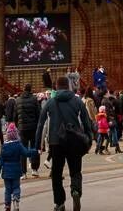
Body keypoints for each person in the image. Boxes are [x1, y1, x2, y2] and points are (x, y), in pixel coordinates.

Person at [35, 75, 95, 211]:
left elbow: (40, 124)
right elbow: (87, 122)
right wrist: (89, 139)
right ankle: (75, 191)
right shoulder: (77, 101)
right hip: (74, 141)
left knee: (56, 174)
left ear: (56, 87)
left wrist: (37, 145)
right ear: (68, 86)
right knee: (75, 171)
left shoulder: (50, 102)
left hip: (56, 143)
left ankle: (60, 203)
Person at [0, 124, 36, 211]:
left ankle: (7, 205)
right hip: (16, 171)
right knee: (16, 187)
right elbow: (26, 153)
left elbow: (0, 161)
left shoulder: (4, 147)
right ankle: (16, 198)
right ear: (16, 134)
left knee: (8, 190)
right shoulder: (18, 145)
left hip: (6, 173)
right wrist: (35, 151)